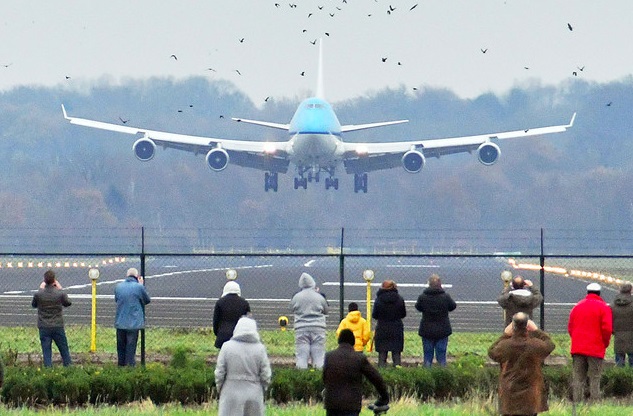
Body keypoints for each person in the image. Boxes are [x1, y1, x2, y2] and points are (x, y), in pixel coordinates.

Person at [488, 312, 555, 416]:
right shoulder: (535, 344)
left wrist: (505, 335)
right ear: (527, 325)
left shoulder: (506, 345)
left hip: (510, 394)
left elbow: (492, 352)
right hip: (531, 397)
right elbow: (550, 344)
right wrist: (537, 331)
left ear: (513, 326)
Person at [323, 329, 389, 416]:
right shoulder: (359, 358)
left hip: (332, 405)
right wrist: (384, 397)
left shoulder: (329, 356)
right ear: (353, 342)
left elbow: (325, 378)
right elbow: (376, 378)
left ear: (339, 341)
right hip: (351, 405)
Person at [215, 316, 271, 416]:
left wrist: (220, 388)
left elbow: (219, 372)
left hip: (230, 392)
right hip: (254, 393)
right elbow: (266, 375)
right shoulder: (260, 349)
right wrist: (262, 389)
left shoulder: (227, 347)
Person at [568, 282, 612, 402]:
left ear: (587, 292)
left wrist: (576, 340)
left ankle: (577, 402)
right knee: (595, 378)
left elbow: (570, 327)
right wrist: (605, 343)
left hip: (578, 348)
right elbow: (607, 329)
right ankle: (595, 403)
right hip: (595, 348)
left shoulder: (577, 306)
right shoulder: (604, 307)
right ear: (599, 293)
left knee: (578, 377)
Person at [31, 269, 72, 367]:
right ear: (54, 281)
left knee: (46, 352)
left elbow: (34, 305)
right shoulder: (60, 294)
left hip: (44, 326)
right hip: (57, 325)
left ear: (44, 281)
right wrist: (60, 289)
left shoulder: (38, 294)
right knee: (64, 350)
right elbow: (68, 303)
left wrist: (40, 290)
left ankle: (48, 371)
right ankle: (69, 368)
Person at [415, 274, 457, 367]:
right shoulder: (445, 297)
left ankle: (427, 376)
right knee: (441, 356)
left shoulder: (423, 297)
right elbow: (453, 306)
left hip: (427, 329)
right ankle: (442, 375)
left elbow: (418, 307)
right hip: (442, 329)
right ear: (440, 284)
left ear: (429, 284)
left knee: (427, 355)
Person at [289, 272, 329, 369]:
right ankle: (318, 377)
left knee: (301, 356)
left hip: (301, 328)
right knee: (319, 356)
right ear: (313, 283)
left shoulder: (296, 297)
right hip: (318, 328)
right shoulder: (319, 297)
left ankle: (302, 376)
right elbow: (326, 310)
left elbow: (291, 308)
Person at [114, 267, 151, 366]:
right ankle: (130, 368)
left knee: (121, 348)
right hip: (133, 323)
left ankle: (120, 368)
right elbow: (147, 300)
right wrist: (141, 285)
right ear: (137, 276)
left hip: (120, 321)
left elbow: (117, 299)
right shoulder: (139, 287)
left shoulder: (118, 287)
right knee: (131, 348)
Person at [372, 279, 406, 367]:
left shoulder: (379, 300)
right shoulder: (399, 299)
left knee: (382, 355)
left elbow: (375, 315)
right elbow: (403, 314)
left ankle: (382, 375)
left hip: (382, 328)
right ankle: (398, 374)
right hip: (396, 328)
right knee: (396, 354)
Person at [213, 280, 251, 349]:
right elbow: (248, 322)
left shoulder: (220, 302)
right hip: (239, 337)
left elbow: (216, 321)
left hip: (223, 338)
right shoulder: (245, 303)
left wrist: (218, 334)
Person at [612, 282, 633, 366]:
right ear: (630, 290)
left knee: (619, 363)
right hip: (631, 337)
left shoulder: (613, 304)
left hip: (618, 337)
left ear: (619, 290)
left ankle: (620, 377)